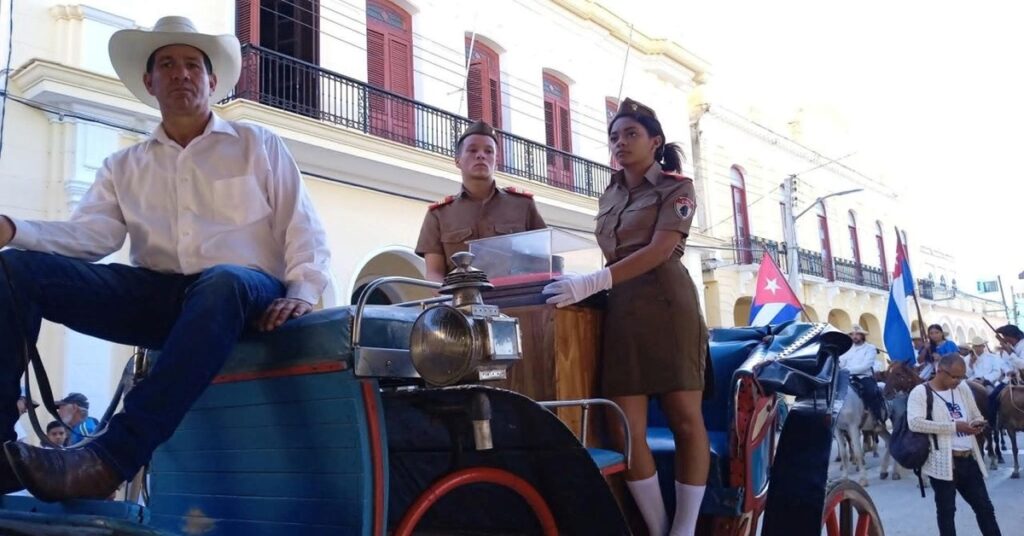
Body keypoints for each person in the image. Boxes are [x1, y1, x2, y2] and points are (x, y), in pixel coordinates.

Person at [0, 16, 330, 501]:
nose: (182, 74)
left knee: (222, 282)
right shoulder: (123, 165)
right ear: (149, 82)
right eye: (168, 65)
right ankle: (2, 448)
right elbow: (91, 236)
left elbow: (302, 226)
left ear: (212, 82)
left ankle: (110, 458)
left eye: (194, 65)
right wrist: (12, 230)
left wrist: (303, 291)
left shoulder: (258, 144)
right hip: (160, 298)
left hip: (246, 294)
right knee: (14, 270)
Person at [543, 98, 708, 536]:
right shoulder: (610, 193)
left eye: (631, 134)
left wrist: (593, 281)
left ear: (655, 142)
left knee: (685, 421)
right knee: (625, 430)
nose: (620, 143)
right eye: (614, 137)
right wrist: (586, 285)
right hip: (622, 313)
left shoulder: (678, 187)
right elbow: (610, 253)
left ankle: (685, 529)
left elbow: (658, 250)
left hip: (669, 309)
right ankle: (657, 528)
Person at [415, 121, 546, 282]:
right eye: (472, 150)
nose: (481, 155)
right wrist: (447, 301)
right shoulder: (439, 214)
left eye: (489, 151)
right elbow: (434, 273)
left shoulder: (523, 205)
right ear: (457, 160)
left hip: (516, 301)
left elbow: (541, 261)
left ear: (496, 161)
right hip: (461, 302)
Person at [907, 354, 1001, 536]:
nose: (958, 381)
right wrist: (954, 427)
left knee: (985, 508)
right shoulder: (920, 392)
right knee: (947, 513)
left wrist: (977, 424)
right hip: (942, 462)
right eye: (954, 376)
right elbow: (915, 423)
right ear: (939, 371)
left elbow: (975, 414)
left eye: (961, 376)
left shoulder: (963, 388)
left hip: (968, 458)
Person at [839, 325, 884, 422]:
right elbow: (841, 362)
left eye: (857, 334)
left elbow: (866, 366)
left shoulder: (870, 348)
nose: (854, 336)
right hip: (847, 378)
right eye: (852, 334)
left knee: (871, 392)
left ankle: (877, 419)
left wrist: (846, 370)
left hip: (864, 377)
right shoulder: (847, 349)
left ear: (863, 336)